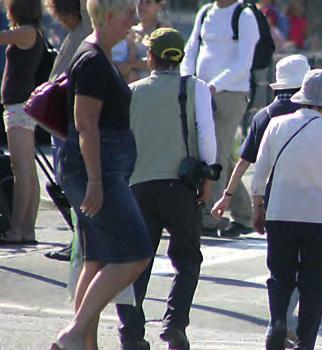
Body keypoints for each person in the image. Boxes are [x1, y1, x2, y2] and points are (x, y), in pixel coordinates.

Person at [51, 0, 152, 349]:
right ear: (108, 15)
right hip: (96, 170)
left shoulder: (97, 55)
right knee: (135, 251)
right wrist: (95, 181)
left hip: (99, 168)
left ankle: (83, 341)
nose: (134, 20)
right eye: (128, 13)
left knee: (96, 258)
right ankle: (75, 332)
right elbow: (85, 125)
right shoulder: (93, 59)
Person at [115, 28, 217, 350]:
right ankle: (174, 325)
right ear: (181, 57)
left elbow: (120, 141)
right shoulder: (195, 88)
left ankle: (131, 333)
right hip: (180, 185)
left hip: (138, 185)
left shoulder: (131, 91)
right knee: (187, 259)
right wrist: (207, 180)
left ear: (150, 57)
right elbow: (207, 142)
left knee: (134, 262)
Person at [251, 69, 322, 350]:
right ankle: (306, 341)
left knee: (279, 275)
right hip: (317, 216)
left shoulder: (276, 125)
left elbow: (260, 172)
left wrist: (258, 205)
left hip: (280, 212)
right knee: (315, 281)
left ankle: (277, 322)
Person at [211, 54, 309, 342]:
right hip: (307, 196)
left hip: (272, 198)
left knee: (279, 264)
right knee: (305, 262)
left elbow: (244, 163)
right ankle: (290, 318)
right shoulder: (313, 113)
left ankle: (279, 318)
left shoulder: (263, 115)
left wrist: (228, 197)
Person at [181, 0, 260, 237]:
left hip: (230, 93)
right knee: (222, 154)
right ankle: (245, 215)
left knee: (214, 154)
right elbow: (191, 49)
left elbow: (244, 63)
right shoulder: (205, 12)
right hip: (201, 90)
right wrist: (186, 77)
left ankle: (209, 217)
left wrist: (214, 85)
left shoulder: (244, 15)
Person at [42, 0, 93, 262]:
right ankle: (80, 239)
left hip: (72, 116)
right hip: (62, 114)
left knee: (72, 179)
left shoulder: (87, 27)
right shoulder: (74, 36)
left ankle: (83, 241)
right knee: (66, 179)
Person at [0, 0, 44, 246]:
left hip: (19, 108)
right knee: (27, 170)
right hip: (21, 106)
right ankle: (27, 228)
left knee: (22, 170)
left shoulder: (25, 32)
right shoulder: (33, 32)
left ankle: (17, 227)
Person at [112, 0, 168, 83]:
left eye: (148, 2)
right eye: (140, 1)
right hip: (132, 89)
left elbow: (162, 62)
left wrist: (131, 65)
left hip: (156, 87)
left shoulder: (164, 30)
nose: (142, 6)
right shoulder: (131, 31)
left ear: (158, 6)